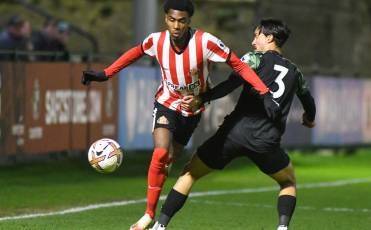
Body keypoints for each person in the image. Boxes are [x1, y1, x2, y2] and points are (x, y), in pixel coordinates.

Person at [81, 0, 272, 229]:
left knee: (170, 158)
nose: (176, 26)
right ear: (166, 19)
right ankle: (148, 214)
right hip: (166, 103)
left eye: (182, 21)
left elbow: (238, 65)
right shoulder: (156, 41)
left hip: (192, 110)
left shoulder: (206, 42)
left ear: (189, 21)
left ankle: (160, 179)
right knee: (160, 153)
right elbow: (134, 53)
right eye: (172, 20)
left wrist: (263, 89)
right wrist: (105, 74)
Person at [151, 19, 316, 230]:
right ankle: (282, 227)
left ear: (269, 38)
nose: (253, 41)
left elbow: (230, 84)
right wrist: (309, 119)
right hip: (266, 140)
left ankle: (160, 225)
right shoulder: (295, 71)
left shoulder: (254, 59)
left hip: (233, 134)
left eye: (257, 35)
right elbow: (309, 101)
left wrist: (203, 98)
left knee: (190, 173)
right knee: (288, 182)